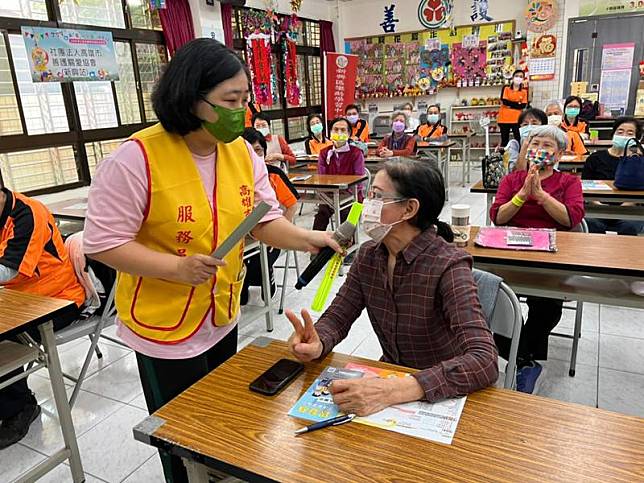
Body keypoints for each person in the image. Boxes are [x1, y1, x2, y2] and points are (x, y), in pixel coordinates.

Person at [82, 39, 340, 483]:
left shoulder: (240, 151)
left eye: (245, 100)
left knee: (219, 413)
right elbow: (102, 243)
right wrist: (175, 268)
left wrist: (308, 239)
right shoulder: (136, 158)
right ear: (191, 98)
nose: (241, 112)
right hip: (163, 324)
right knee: (179, 429)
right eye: (229, 101)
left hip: (220, 309)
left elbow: (259, 221)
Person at [286, 160, 499, 416]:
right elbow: (338, 316)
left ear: (409, 209)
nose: (367, 204)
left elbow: (484, 359)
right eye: (369, 194)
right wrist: (317, 341)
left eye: (376, 196)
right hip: (389, 384)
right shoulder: (369, 256)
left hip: (440, 394)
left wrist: (397, 389)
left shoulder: (449, 265)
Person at [490, 125, 585, 394]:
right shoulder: (512, 180)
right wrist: (522, 195)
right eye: (534, 144)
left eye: (546, 146)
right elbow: (498, 217)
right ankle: (527, 362)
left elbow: (572, 218)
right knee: (492, 301)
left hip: (552, 258)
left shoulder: (569, 182)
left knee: (548, 307)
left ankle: (522, 359)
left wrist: (541, 196)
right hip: (512, 255)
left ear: (559, 154)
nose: (538, 150)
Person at [0, 189, 86, 449]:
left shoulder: (27, 214)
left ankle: (20, 407)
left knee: (6, 339)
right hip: (19, 298)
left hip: (58, 299)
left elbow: (9, 269)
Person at [241, 128, 299, 303]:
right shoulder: (232, 177)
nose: (253, 156)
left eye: (258, 150)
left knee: (260, 263)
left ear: (265, 152)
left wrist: (282, 235)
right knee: (237, 268)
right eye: (248, 151)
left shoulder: (273, 174)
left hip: (270, 234)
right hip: (243, 237)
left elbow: (292, 205)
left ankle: (267, 277)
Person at [582, 116, 644, 236]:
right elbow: (584, 185)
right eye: (620, 132)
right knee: (592, 224)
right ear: (613, 133)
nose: (624, 135)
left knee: (629, 226)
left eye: (630, 133)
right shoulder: (595, 158)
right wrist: (597, 203)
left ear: (636, 138)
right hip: (597, 207)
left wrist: (628, 204)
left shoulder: (638, 161)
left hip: (629, 209)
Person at [312, 117, 365, 231]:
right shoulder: (324, 153)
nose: (339, 133)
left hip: (355, 198)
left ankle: (348, 246)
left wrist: (345, 195)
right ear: (330, 132)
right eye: (335, 130)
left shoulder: (356, 153)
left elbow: (360, 183)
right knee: (320, 217)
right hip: (330, 196)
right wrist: (330, 195)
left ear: (349, 133)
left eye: (343, 130)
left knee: (348, 222)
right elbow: (321, 179)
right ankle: (316, 245)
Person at [507, 108, 547, 172]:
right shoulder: (514, 144)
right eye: (525, 124)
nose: (529, 127)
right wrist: (525, 146)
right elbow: (515, 172)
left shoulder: (549, 144)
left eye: (534, 124)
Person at [498, 69, 528, 146]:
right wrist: (517, 103)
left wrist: (510, 104)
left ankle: (519, 157)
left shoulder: (524, 91)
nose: (518, 78)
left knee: (518, 139)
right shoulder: (506, 88)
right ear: (513, 77)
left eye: (521, 76)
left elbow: (523, 105)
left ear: (523, 79)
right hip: (504, 119)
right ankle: (504, 157)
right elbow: (504, 101)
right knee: (504, 140)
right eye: (516, 76)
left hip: (517, 119)